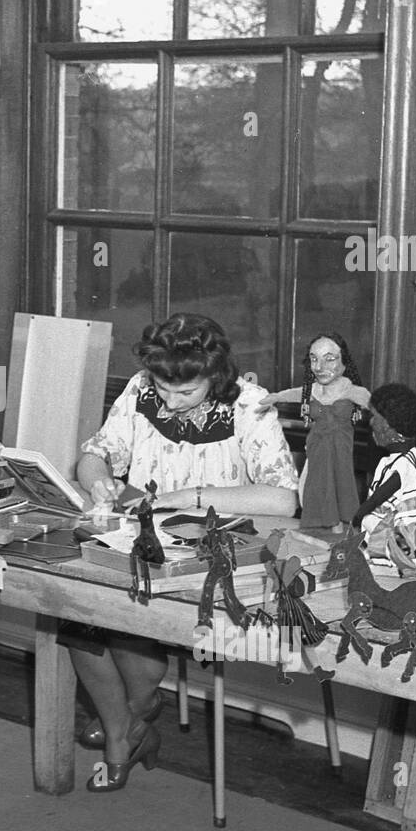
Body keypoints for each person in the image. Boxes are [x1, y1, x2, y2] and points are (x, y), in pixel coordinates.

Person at [73, 314, 299, 792]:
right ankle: (126, 727)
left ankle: (126, 720)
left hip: (215, 561)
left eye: (187, 393)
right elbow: (95, 453)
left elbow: (283, 499)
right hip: (142, 544)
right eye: (164, 389)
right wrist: (98, 482)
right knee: (76, 613)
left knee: (137, 625)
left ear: (213, 377)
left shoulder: (249, 406)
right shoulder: (140, 391)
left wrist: (191, 496)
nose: (171, 403)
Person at [259, 333, 371, 530]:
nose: (320, 367)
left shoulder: (354, 392)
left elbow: (379, 407)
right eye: (314, 359)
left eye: (329, 359)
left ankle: (343, 527)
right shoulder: (310, 391)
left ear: (344, 361)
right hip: (317, 451)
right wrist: (273, 397)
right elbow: (289, 394)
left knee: (342, 488)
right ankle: (320, 528)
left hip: (341, 453)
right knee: (315, 488)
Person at [353, 383, 416, 570]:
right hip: (393, 525)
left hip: (406, 533)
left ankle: (389, 555)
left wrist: (359, 514)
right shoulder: (396, 459)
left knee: (367, 521)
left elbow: (382, 493)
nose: (371, 422)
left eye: (374, 417)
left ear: (389, 424)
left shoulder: (404, 464)